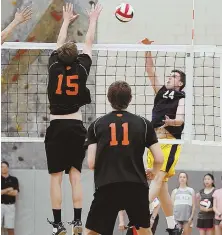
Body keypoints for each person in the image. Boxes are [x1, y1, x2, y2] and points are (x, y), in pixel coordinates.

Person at [45, 3, 102, 235]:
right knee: (75, 177)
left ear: (59, 55)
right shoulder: (82, 68)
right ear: (75, 56)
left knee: (55, 178)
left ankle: (59, 225)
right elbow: (88, 43)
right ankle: (78, 222)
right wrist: (93, 20)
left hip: (56, 126)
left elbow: (59, 43)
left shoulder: (53, 66)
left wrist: (66, 20)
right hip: (77, 127)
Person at [84, 81, 164, 235]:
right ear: (130, 98)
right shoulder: (144, 124)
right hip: (136, 185)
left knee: (92, 231)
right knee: (144, 230)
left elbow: (91, 163)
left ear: (108, 98)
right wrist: (153, 172)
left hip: (107, 184)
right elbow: (159, 159)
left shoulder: (96, 125)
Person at [142, 38, 186, 235]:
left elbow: (181, 119)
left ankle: (141, 209)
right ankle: (172, 226)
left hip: (170, 140)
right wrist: (147, 50)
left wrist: (171, 122)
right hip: (153, 141)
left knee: (158, 177)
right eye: (169, 75)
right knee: (162, 186)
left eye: (174, 76)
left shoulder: (182, 97)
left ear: (181, 83)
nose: (170, 77)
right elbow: (150, 72)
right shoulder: (161, 91)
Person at [1, 161, 19, 235]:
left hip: (10, 206)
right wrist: (8, 189)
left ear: (8, 168)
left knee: (10, 228)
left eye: (5, 167)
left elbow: (15, 193)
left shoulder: (14, 179)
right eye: (2, 167)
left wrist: (2, 191)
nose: (3, 168)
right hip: (0, 205)